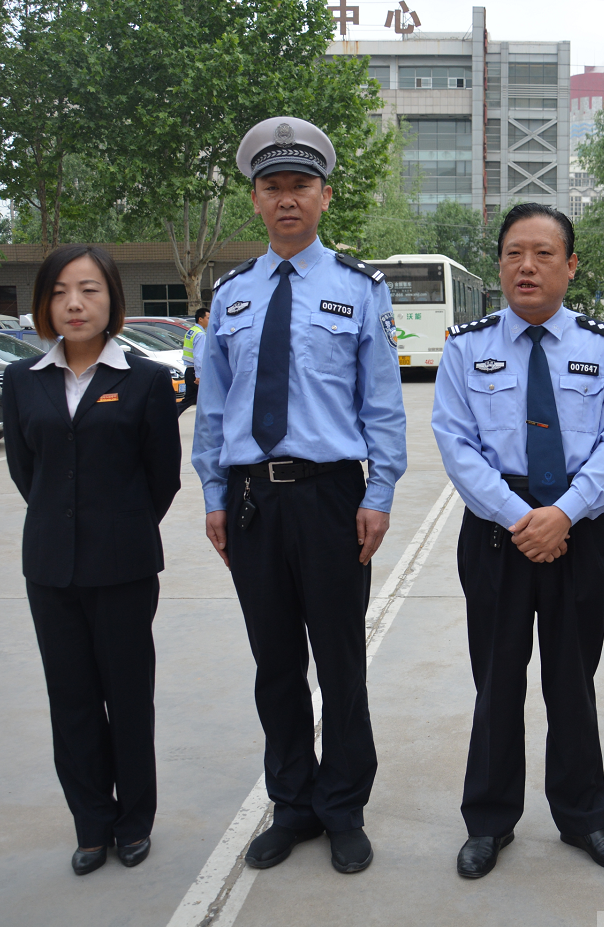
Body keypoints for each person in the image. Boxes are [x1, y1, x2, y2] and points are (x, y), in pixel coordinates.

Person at [192, 117, 407, 874]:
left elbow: (381, 403)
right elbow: (213, 407)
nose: (287, 199)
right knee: (275, 660)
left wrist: (379, 491)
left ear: (323, 196)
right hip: (252, 501)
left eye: (300, 186)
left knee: (341, 660)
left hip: (330, 497)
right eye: (272, 186)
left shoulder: (358, 290)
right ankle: (292, 804)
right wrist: (214, 494)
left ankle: (343, 806)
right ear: (255, 200)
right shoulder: (233, 296)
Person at [431, 202, 604, 878]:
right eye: (514, 252)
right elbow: (456, 444)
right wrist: (520, 516)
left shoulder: (603, 349)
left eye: (543, 253)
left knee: (572, 682)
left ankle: (583, 819)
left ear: (570, 265)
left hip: (577, 531)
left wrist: (565, 513)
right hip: (497, 534)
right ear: (498, 265)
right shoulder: (467, 346)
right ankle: (489, 821)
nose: (527, 265)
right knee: (495, 682)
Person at [2, 244, 182, 874]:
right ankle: (90, 824)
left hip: (125, 568)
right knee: (71, 698)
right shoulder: (21, 381)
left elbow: (163, 479)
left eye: (88, 290)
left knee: (128, 696)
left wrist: (118, 529)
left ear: (113, 300)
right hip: (50, 568)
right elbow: (29, 475)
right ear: (43, 304)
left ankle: (134, 820)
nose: (74, 303)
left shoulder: (146, 380)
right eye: (58, 292)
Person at [178, 306, 208, 416]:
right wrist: (199, 375)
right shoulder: (200, 334)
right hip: (196, 373)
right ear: (200, 319)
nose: (210, 320)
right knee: (208, 399)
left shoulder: (191, 331)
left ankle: (169, 417)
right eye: (208, 318)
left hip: (190, 371)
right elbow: (199, 356)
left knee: (188, 399)